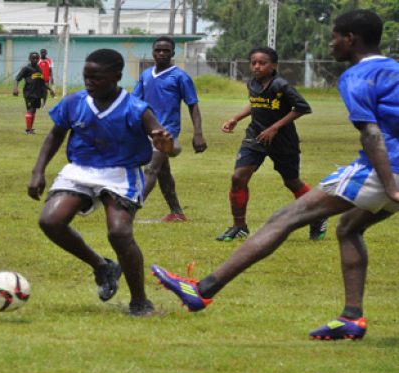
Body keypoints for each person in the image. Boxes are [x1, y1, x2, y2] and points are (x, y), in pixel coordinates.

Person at [152, 9, 399, 340]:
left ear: (350, 39)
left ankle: (203, 289)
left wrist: (391, 185)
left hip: (383, 168)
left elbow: (371, 135)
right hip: (388, 168)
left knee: (283, 218)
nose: (331, 44)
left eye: (334, 37)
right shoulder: (394, 70)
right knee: (350, 227)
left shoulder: (356, 77)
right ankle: (352, 317)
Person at [28, 49, 175, 317]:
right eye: (86, 77)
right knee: (50, 221)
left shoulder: (136, 108)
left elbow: (165, 143)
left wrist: (167, 145)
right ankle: (102, 266)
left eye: (96, 77)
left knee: (119, 232)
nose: (89, 82)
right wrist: (38, 171)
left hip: (121, 173)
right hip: (80, 170)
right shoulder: (74, 102)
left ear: (116, 76)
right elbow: (54, 136)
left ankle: (140, 301)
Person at [215, 46, 328, 241]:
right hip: (256, 137)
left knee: (292, 181)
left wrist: (275, 127)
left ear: (273, 65)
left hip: (283, 140)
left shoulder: (281, 85)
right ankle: (239, 225)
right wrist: (236, 118)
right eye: (253, 63)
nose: (257, 66)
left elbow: (301, 107)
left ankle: (317, 216)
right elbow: (256, 102)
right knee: (238, 178)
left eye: (262, 63)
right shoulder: (252, 83)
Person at [132, 36, 207, 222]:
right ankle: (177, 212)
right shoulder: (146, 75)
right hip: (145, 130)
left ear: (173, 53)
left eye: (166, 50)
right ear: (153, 52)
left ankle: (129, 210)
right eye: (158, 50)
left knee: (150, 169)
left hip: (167, 131)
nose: (162, 53)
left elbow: (193, 105)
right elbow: (134, 102)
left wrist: (198, 133)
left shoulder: (180, 77)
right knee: (163, 172)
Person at [13, 51, 48, 135]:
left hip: (38, 93)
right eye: (33, 58)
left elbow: (42, 82)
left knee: (34, 110)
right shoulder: (26, 68)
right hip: (29, 93)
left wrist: (49, 89)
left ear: (39, 59)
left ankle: (30, 129)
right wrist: (15, 88)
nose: (35, 60)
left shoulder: (39, 69)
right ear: (29, 59)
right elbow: (17, 79)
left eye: (37, 58)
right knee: (30, 109)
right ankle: (28, 130)